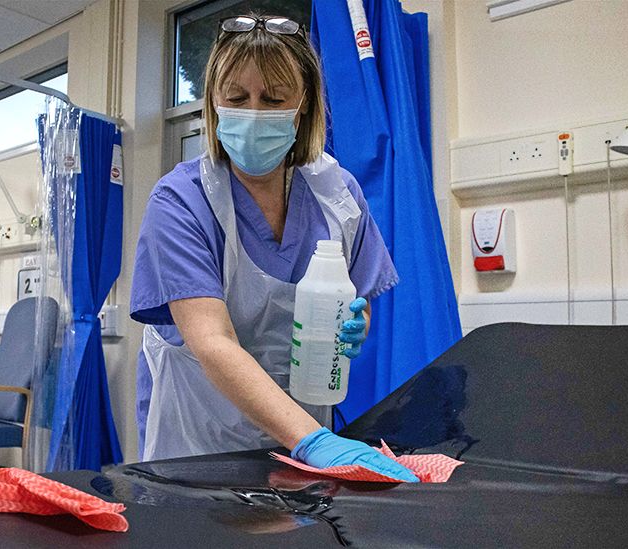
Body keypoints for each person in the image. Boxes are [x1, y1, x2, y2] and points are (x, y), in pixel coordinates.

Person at [129, 14, 417, 482]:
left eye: (275, 98)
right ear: (214, 104)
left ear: (303, 104)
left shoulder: (338, 196)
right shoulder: (181, 201)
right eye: (237, 98)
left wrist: (353, 323)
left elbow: (357, 299)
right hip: (201, 445)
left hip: (299, 446)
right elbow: (212, 341)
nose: (255, 113)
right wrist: (316, 442)